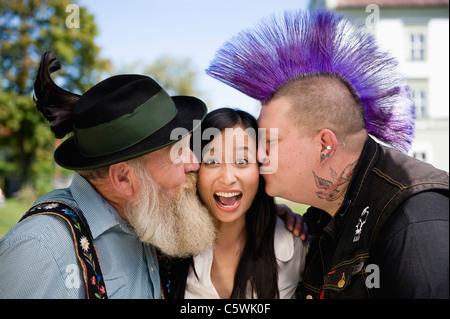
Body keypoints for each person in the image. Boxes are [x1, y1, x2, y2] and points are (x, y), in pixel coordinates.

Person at [206, 9, 449, 298]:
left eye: (270, 140)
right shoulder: (320, 220)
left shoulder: (413, 221)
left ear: (325, 145)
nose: (258, 154)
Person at [0, 51, 216, 298]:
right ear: (124, 179)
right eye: (178, 153)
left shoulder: (146, 220)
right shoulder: (40, 250)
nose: (195, 163)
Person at [159, 108, 307, 299]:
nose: (228, 178)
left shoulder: (296, 247)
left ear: (260, 170)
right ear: (195, 169)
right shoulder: (167, 248)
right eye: (212, 161)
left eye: (242, 161)